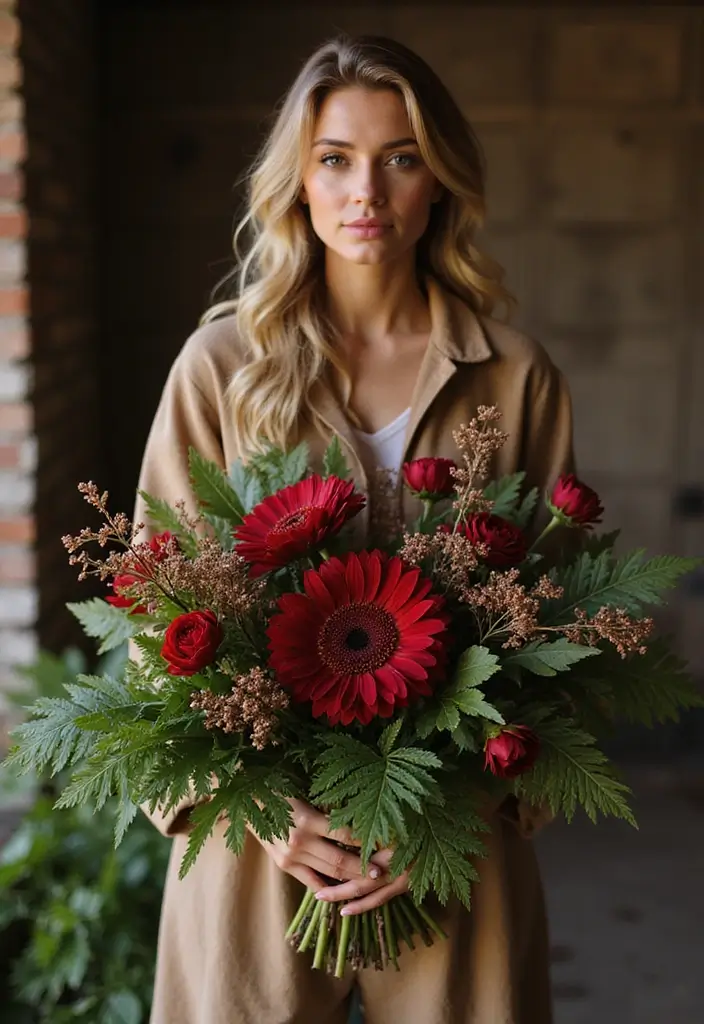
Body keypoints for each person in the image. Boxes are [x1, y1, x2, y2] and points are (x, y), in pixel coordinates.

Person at [134, 34, 574, 1024]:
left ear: (439, 181)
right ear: (298, 178)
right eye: (334, 157)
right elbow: (151, 613)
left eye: (400, 156)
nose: (364, 188)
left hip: (447, 845)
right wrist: (258, 807)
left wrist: (465, 801)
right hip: (260, 850)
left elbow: (559, 624)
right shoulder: (218, 370)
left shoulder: (513, 376)